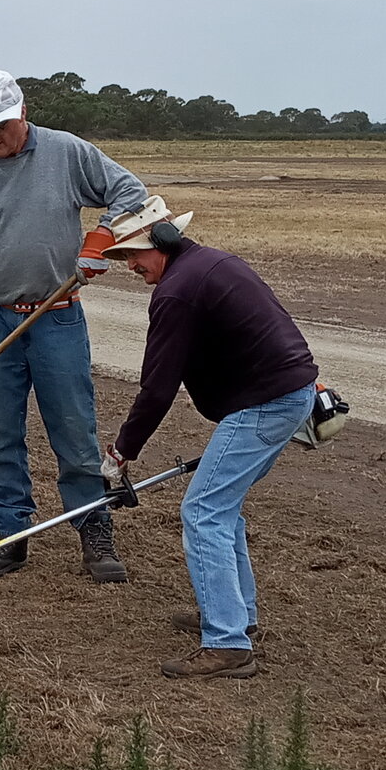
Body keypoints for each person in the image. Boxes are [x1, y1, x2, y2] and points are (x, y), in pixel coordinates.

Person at [0, 69, 146, 581]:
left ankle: (93, 530)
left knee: (73, 431)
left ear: (22, 113)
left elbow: (130, 191)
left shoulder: (67, 153)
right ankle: (12, 535)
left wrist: (101, 239)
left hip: (58, 317)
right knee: (0, 435)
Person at [99, 196, 318, 679]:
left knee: (202, 512)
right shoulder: (214, 262)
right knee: (223, 508)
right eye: (123, 257)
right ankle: (237, 615)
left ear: (164, 240)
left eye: (134, 253)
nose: (130, 264)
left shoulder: (178, 291)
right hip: (289, 395)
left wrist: (122, 452)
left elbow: (157, 388)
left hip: (265, 404)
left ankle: (226, 641)